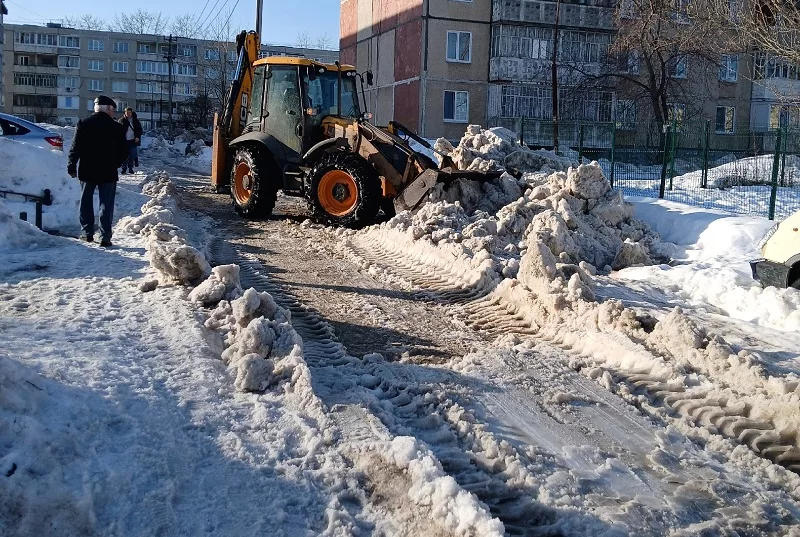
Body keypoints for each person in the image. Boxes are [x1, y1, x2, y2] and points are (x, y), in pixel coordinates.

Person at [67, 95, 127, 247]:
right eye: (113, 110)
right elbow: (124, 151)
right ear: (108, 109)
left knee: (86, 202)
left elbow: (75, 147)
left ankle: (87, 233)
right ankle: (105, 237)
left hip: (87, 170)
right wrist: (116, 164)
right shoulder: (117, 127)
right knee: (106, 204)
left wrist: (71, 165)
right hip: (108, 171)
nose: (114, 113)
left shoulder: (84, 123)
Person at [119, 107, 143, 174]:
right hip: (124, 141)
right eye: (127, 112)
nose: (128, 114)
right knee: (124, 155)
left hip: (132, 140)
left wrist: (137, 137)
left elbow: (139, 130)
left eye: (129, 112)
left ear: (132, 113)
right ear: (125, 113)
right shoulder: (121, 121)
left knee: (131, 155)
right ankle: (124, 168)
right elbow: (118, 131)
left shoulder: (135, 121)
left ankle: (130, 168)